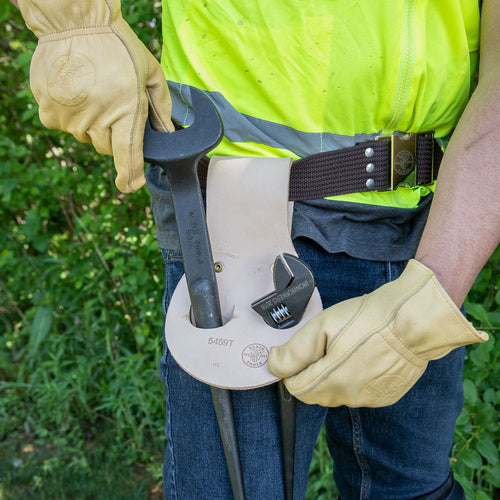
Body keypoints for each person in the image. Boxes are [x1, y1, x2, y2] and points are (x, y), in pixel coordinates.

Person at [11, 0, 500, 498]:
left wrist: (433, 287)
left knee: (415, 488)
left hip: (436, 222)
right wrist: (74, 22)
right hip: (242, 218)